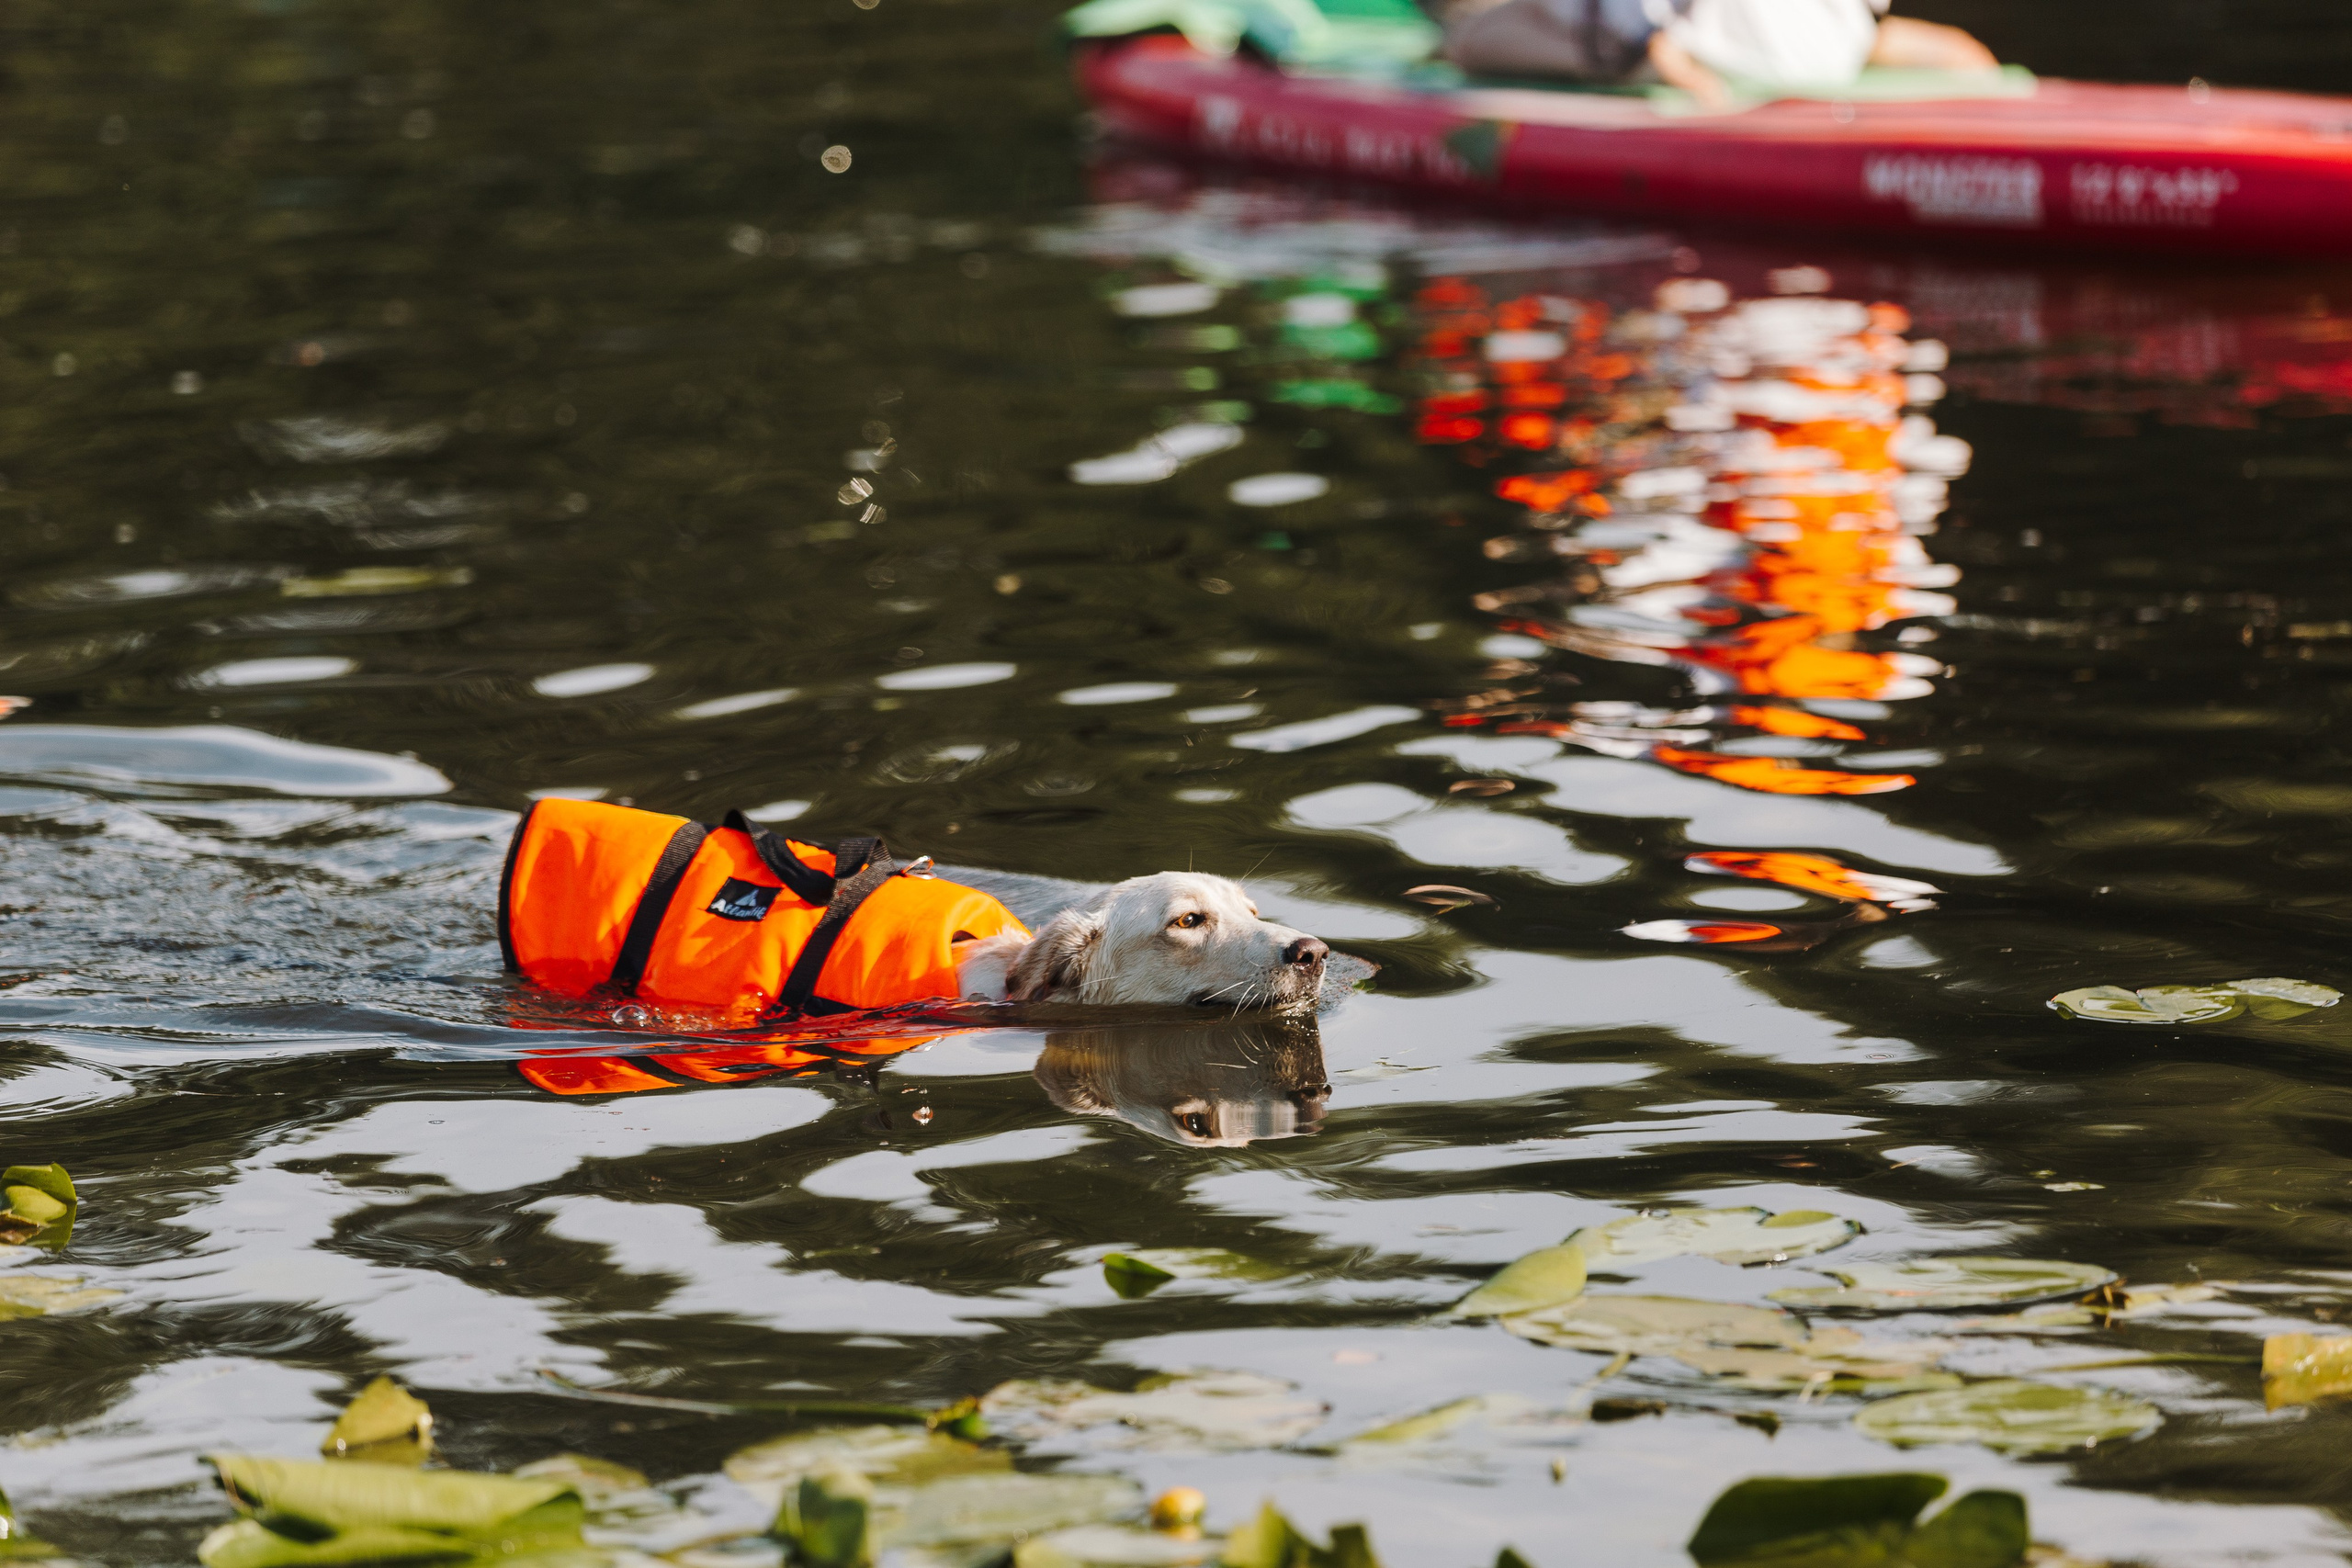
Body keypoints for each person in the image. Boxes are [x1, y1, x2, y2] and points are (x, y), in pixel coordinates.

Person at [1441, 0, 1996, 109]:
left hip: (1704, 40)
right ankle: (1956, 52)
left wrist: (1650, 43)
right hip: (1831, 42)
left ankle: (1648, 61)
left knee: (1470, 41)